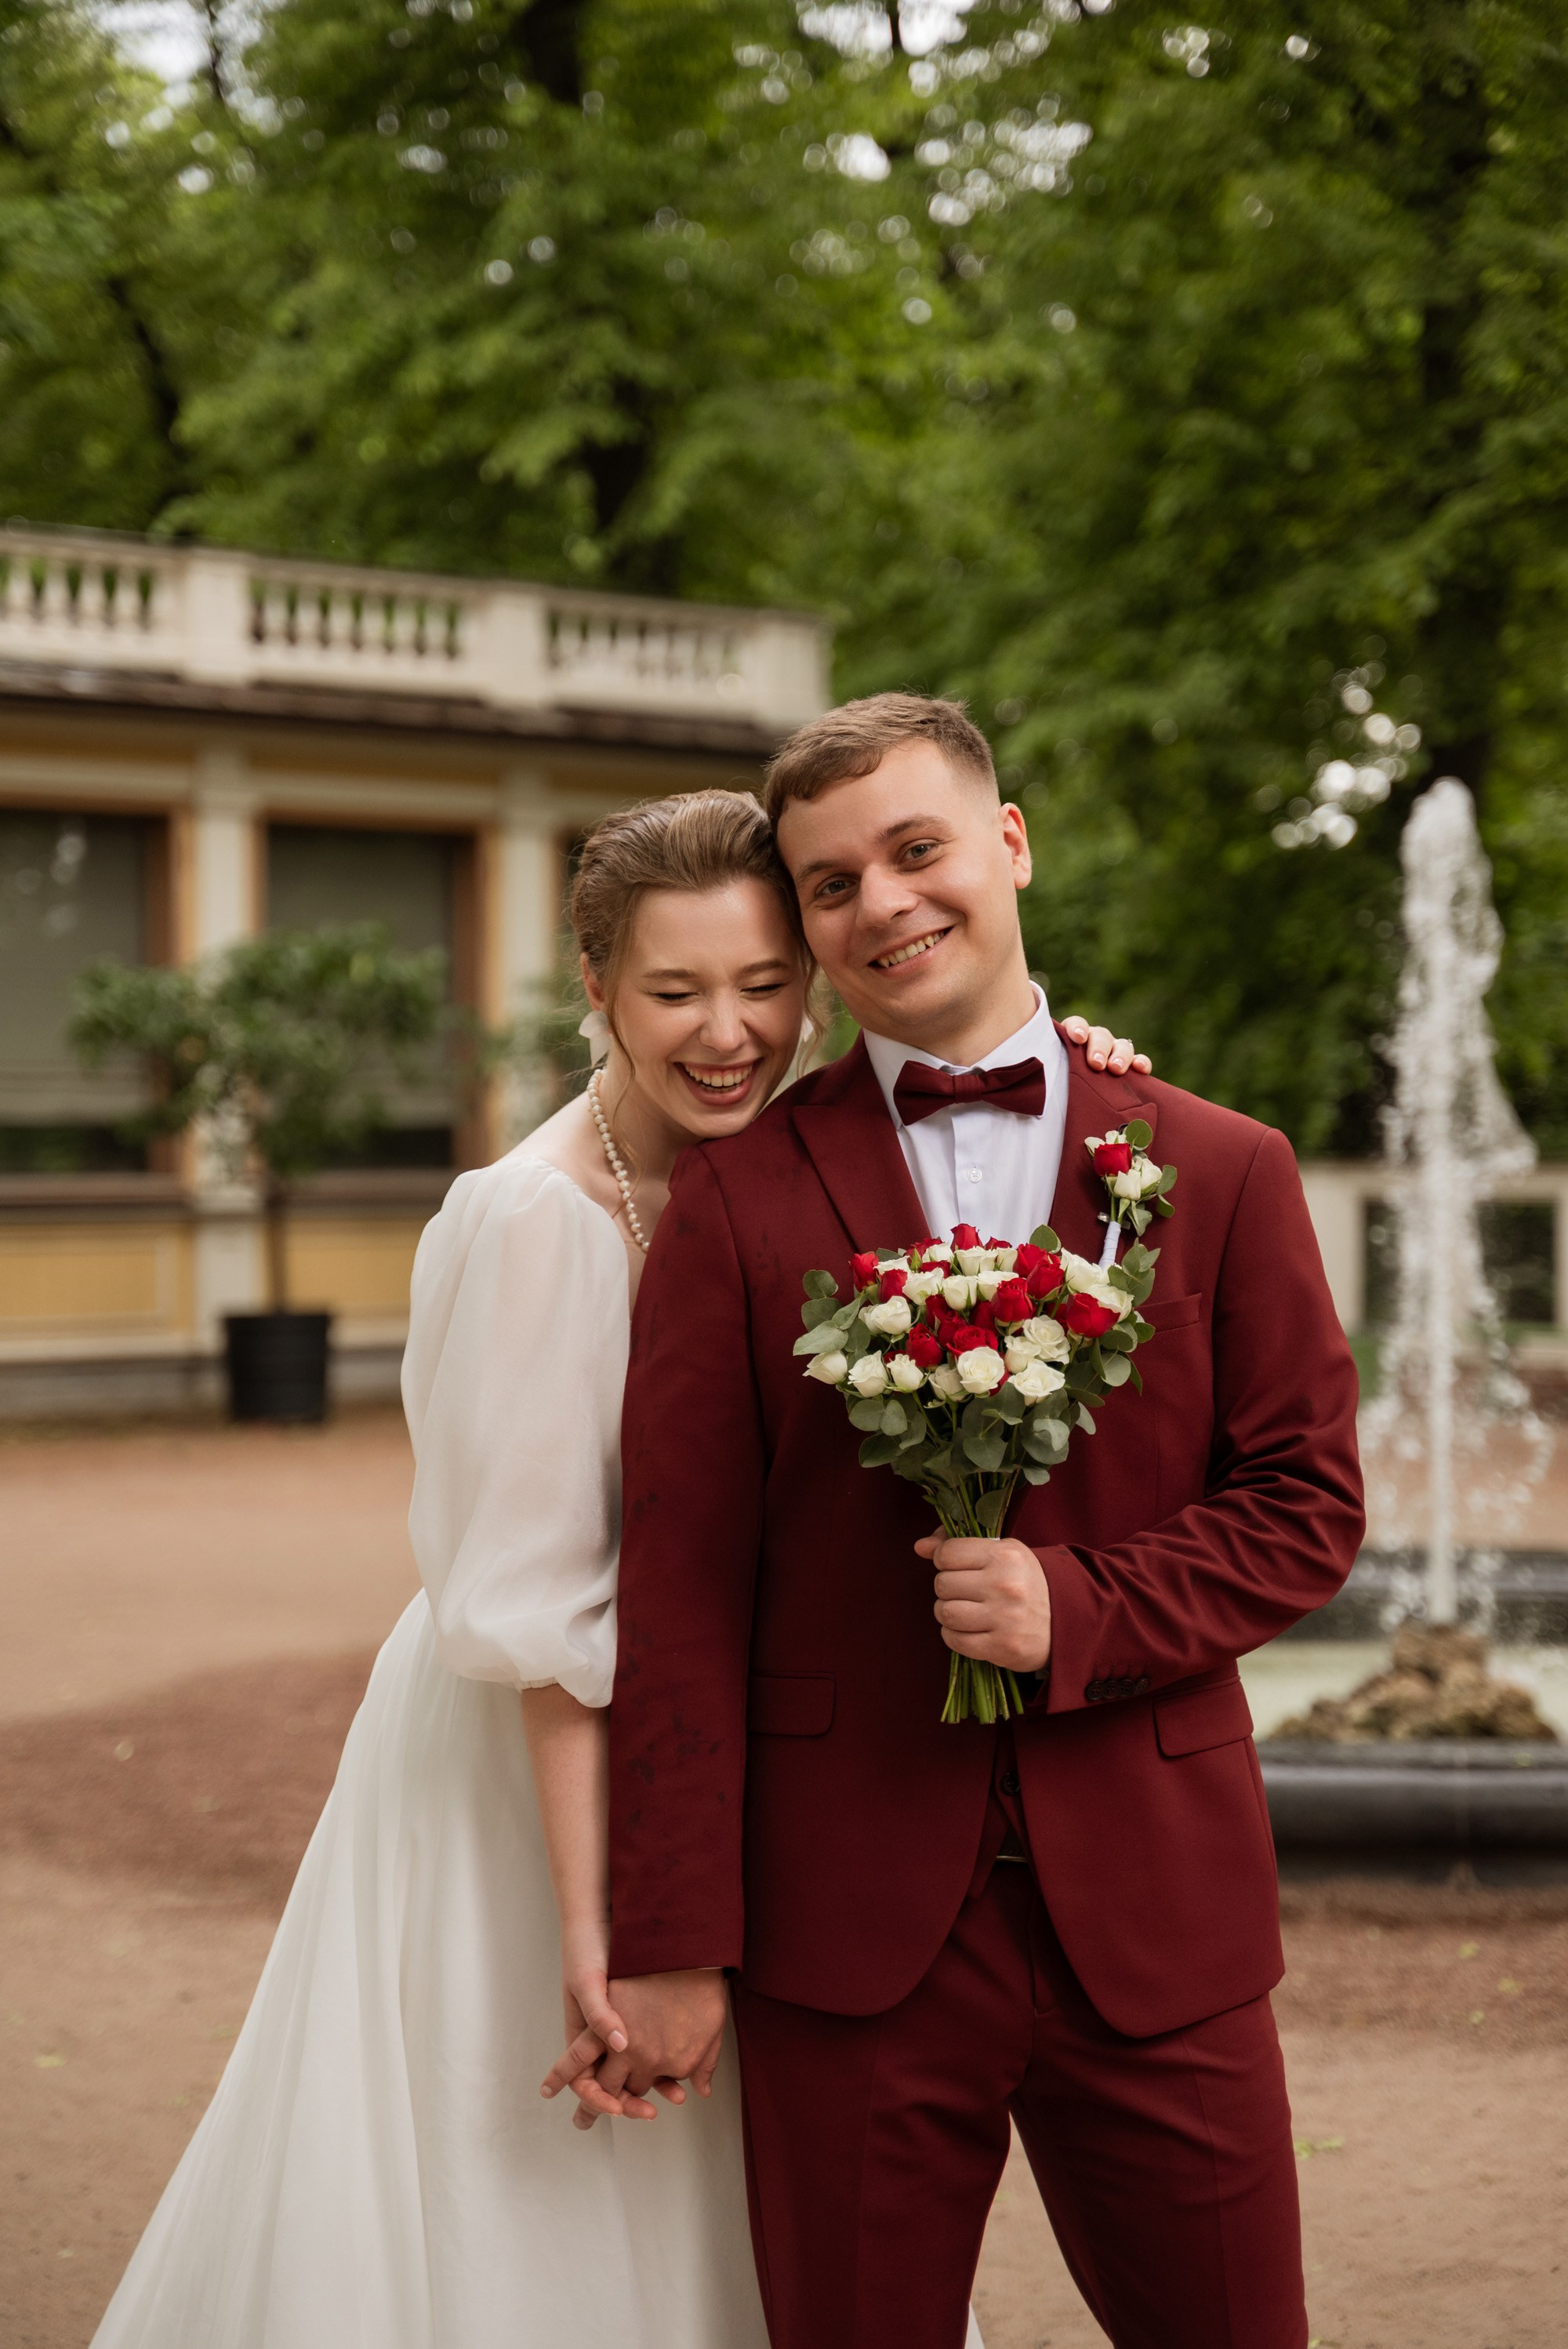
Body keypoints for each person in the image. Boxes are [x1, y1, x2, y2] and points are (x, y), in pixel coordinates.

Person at [89, 782, 1148, 2349]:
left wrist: (1090, 1062)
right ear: (596, 986)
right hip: (543, 1779)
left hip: (722, 1758)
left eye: (764, 984)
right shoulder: (532, 1219)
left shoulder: (809, 1166)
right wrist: (614, 1935)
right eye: (673, 993)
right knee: (552, 2200)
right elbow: (544, 1624)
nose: (727, 1034)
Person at [569, 697, 1366, 2349]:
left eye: (916, 848)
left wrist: (1085, 1609)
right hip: (843, 1931)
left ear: (1008, 844)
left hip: (1159, 1919)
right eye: (830, 883)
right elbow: (683, 1590)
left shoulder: (1220, 1167)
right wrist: (673, 1940)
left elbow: (1307, 1504)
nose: (883, 902)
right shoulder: (739, 1199)